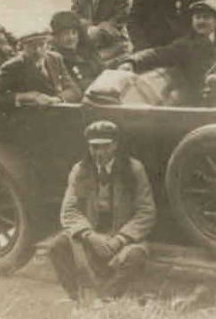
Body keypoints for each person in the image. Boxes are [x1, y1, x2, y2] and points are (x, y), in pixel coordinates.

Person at [48, 121, 156, 302]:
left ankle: (106, 299)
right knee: (57, 246)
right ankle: (76, 298)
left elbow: (146, 211)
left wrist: (120, 239)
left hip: (122, 236)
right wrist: (90, 235)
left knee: (135, 257)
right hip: (91, 234)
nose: (99, 153)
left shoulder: (133, 169)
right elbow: (69, 210)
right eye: (94, 147)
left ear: (115, 145)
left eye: (105, 147)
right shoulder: (80, 170)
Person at [120, 0, 216, 106]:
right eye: (197, 18)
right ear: (192, 21)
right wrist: (131, 62)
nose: (201, 21)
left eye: (206, 18)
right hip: (201, 98)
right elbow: (158, 54)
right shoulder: (185, 45)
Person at [0, 30, 82, 110]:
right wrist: (26, 97)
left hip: (56, 115)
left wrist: (56, 99)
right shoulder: (14, 66)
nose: (37, 50)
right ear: (22, 47)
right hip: (27, 122)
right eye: (32, 46)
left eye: (41, 45)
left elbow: (75, 90)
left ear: (48, 45)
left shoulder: (55, 59)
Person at [49, 10, 104, 93]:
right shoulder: (55, 58)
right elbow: (72, 86)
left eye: (73, 32)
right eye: (65, 34)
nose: (71, 37)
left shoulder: (88, 52)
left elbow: (103, 71)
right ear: (56, 37)